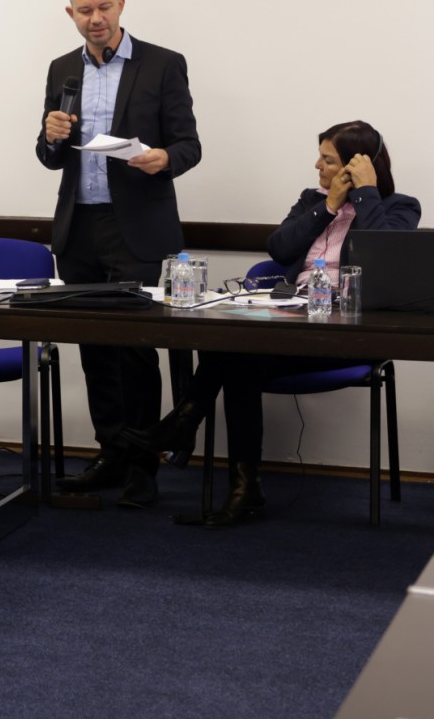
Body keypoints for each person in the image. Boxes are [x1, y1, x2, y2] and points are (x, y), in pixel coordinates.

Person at [119, 121, 419, 527]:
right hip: (291, 326)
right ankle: (239, 485)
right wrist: (329, 206)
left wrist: (365, 193)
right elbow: (279, 248)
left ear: (356, 166)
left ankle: (188, 427)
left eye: (328, 160)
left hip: (349, 336)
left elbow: (385, 256)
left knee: (234, 356)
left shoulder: (400, 207)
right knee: (234, 353)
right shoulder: (312, 201)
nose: (317, 166)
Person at [36, 0, 201, 508]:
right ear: (71, 13)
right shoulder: (63, 69)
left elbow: (189, 145)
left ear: (121, 5)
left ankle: (142, 464)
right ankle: (109, 453)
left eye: (104, 7)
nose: (96, 18)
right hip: (79, 226)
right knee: (96, 350)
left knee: (134, 351)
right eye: (85, 10)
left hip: (137, 229)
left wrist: (163, 158)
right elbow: (49, 156)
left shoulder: (163, 64)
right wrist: (50, 136)